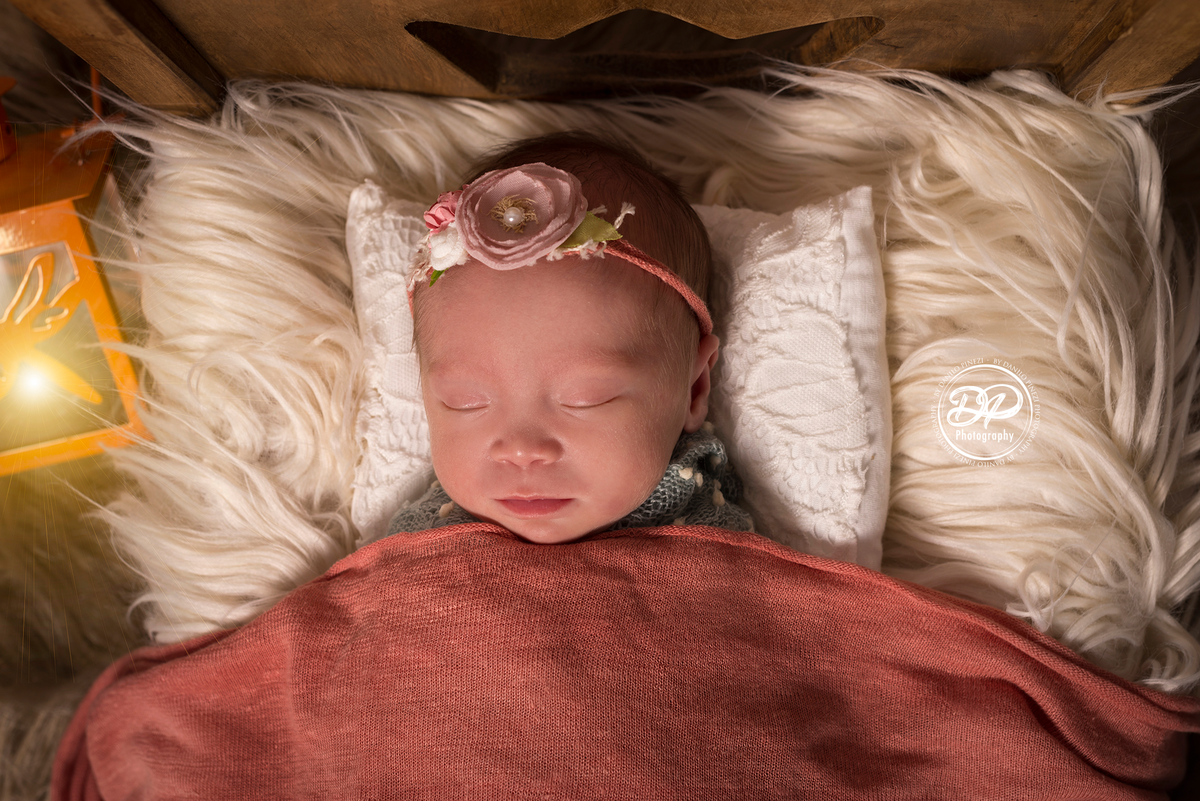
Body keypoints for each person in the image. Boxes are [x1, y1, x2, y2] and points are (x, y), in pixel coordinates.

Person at [388, 132, 752, 544]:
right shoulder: (415, 545)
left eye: (586, 397)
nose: (523, 449)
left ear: (694, 387)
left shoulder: (721, 551)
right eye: (464, 402)